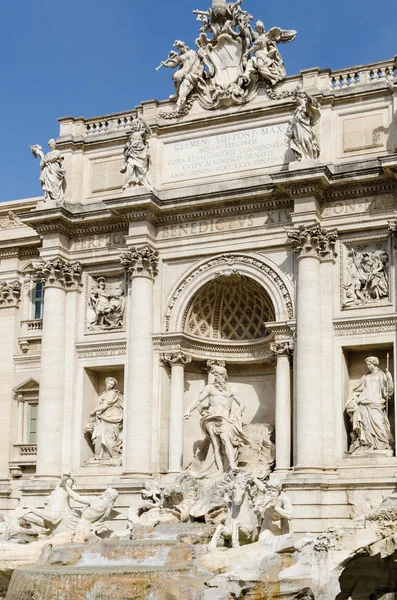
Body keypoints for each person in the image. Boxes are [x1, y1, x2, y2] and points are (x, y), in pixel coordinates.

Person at [184, 365, 250, 475]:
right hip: (211, 418)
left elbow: (242, 404)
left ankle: (232, 465)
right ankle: (219, 470)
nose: (217, 377)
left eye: (219, 374)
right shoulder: (209, 388)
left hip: (225, 418)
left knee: (225, 439)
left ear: (224, 375)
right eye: (216, 374)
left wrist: (236, 413)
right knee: (216, 444)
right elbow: (198, 400)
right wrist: (188, 410)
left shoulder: (231, 389)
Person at [346, 357, 394, 454]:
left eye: (369, 364)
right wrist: (352, 400)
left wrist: (389, 378)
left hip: (377, 403)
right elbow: (357, 390)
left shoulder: (382, 375)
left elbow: (388, 391)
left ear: (375, 363)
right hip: (364, 403)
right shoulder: (366, 377)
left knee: (379, 424)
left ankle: (383, 445)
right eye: (367, 364)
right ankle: (368, 445)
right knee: (366, 426)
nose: (368, 366)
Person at [84, 377, 124, 464]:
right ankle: (99, 456)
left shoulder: (112, 393)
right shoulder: (103, 394)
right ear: (106, 383)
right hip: (103, 417)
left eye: (112, 384)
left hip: (112, 417)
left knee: (110, 438)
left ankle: (113, 456)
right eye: (109, 383)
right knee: (98, 435)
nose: (110, 385)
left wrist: (94, 411)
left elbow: (105, 405)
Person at [160, 41, 203, 113]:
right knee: (176, 76)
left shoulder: (192, 52)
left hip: (193, 72)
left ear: (182, 46)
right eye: (178, 48)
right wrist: (165, 64)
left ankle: (180, 102)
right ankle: (178, 94)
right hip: (184, 71)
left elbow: (198, 62)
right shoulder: (180, 56)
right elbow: (173, 64)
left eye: (179, 47)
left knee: (185, 84)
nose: (179, 49)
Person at [244, 21, 286, 86]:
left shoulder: (264, 36)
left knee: (261, 67)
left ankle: (273, 79)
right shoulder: (258, 36)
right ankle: (245, 75)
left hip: (262, 55)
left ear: (262, 28)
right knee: (250, 62)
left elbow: (256, 47)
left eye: (259, 28)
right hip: (257, 56)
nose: (258, 29)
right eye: (257, 28)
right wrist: (249, 27)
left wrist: (247, 52)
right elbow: (253, 35)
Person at [286, 87, 321, 161]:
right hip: (297, 127)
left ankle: (310, 158)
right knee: (299, 143)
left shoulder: (306, 105)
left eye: (297, 97)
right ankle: (303, 156)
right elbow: (294, 120)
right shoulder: (297, 109)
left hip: (305, 127)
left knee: (307, 140)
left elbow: (312, 101)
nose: (296, 99)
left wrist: (305, 93)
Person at [121, 117, 152, 190]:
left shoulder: (141, 132)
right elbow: (129, 144)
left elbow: (149, 132)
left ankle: (140, 181)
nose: (133, 126)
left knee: (139, 168)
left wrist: (143, 122)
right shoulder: (131, 135)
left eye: (135, 124)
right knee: (129, 166)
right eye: (132, 125)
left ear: (138, 125)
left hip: (140, 152)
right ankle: (129, 182)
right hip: (132, 152)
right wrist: (127, 147)